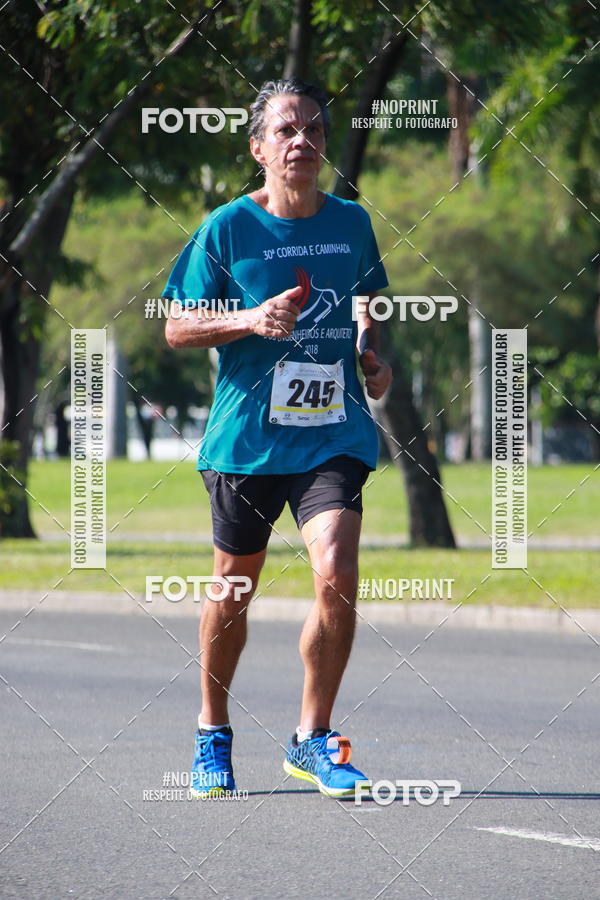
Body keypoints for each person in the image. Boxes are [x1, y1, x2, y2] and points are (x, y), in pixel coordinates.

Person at [164, 77, 392, 798]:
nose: (303, 141)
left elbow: (367, 304)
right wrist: (248, 320)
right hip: (248, 440)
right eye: (286, 131)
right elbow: (176, 326)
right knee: (234, 589)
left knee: (337, 568)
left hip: (332, 433)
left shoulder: (352, 223)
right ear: (259, 147)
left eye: (314, 130)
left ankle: (313, 737)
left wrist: (370, 353)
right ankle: (211, 733)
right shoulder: (226, 229)